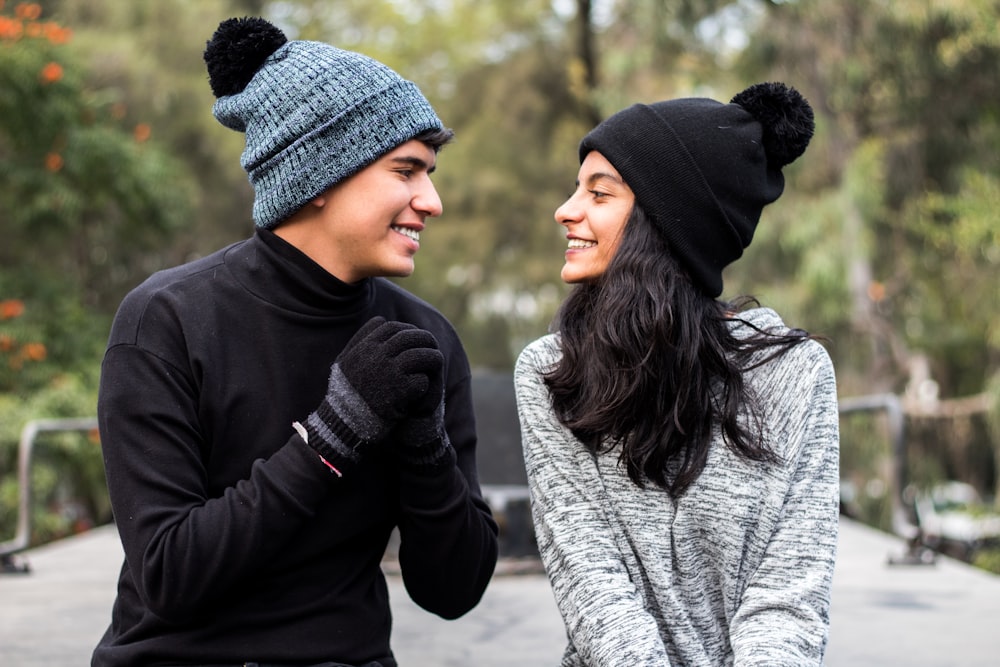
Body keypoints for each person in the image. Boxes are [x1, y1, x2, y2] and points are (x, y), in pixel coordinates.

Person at [93, 17, 498, 667]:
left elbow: (453, 590)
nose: (433, 200)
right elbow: (170, 576)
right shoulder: (166, 321)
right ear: (318, 173)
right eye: (407, 171)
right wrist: (332, 434)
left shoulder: (424, 341)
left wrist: (424, 445)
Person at [514, 82, 839, 666]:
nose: (566, 209)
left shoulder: (795, 373)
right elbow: (592, 584)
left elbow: (788, 599)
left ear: (666, 224)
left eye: (599, 193)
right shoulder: (551, 371)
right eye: (576, 188)